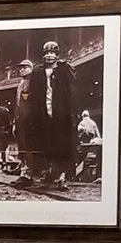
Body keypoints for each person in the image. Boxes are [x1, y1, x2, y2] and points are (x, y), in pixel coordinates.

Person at [37, 41, 79, 185]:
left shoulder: (64, 69)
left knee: (63, 145)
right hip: (45, 112)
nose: (49, 55)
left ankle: (63, 175)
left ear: (57, 54)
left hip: (62, 113)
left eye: (52, 53)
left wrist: (72, 112)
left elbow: (72, 91)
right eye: (47, 53)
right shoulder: (39, 71)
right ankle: (50, 172)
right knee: (48, 144)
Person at [12, 59, 41, 184]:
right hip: (21, 120)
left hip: (30, 121)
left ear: (31, 68)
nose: (22, 70)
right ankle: (24, 172)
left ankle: (29, 175)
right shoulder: (21, 83)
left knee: (29, 148)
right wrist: (15, 121)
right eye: (21, 68)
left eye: (25, 67)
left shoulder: (34, 82)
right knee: (23, 147)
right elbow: (18, 104)